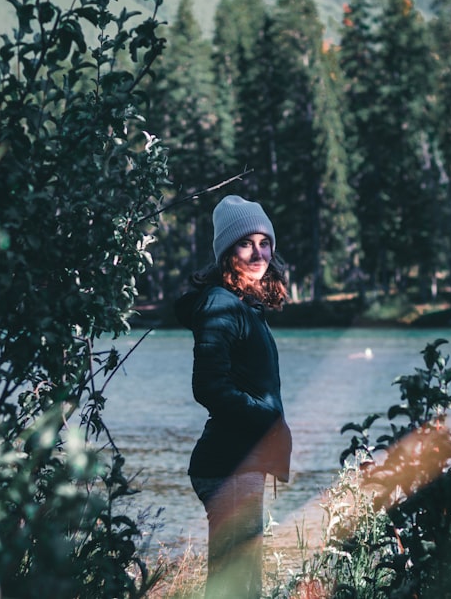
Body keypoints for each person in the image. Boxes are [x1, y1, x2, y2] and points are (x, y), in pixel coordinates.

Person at [175, 194, 293, 598]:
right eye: (246, 243)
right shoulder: (219, 304)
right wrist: (264, 416)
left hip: (242, 462)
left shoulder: (244, 305)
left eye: (265, 242)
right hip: (229, 466)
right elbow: (208, 385)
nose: (258, 252)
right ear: (227, 251)